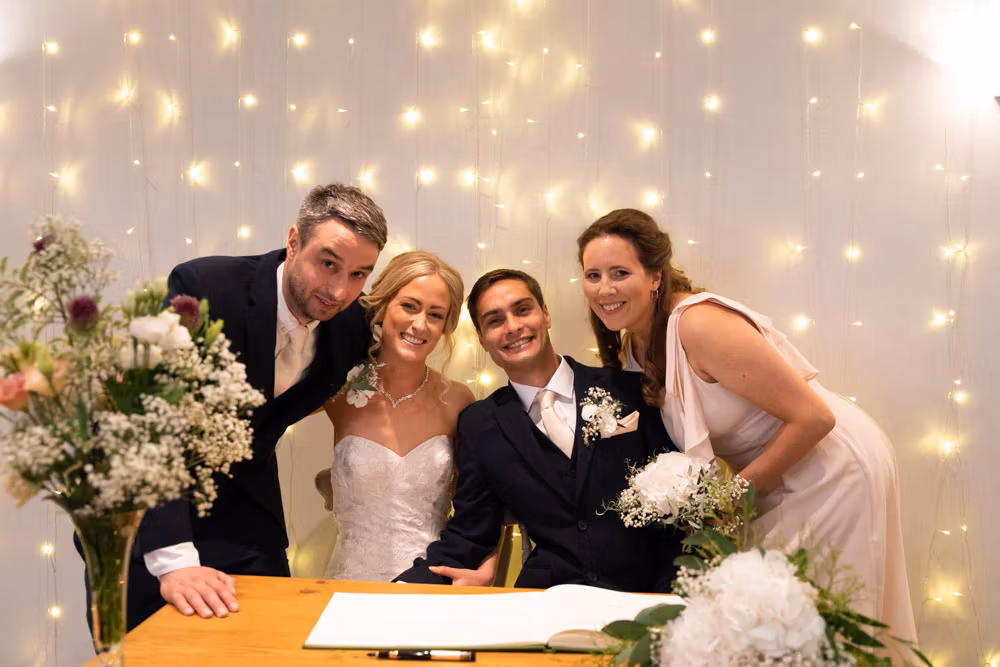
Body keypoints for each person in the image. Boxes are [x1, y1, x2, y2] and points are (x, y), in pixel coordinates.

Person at [576, 208, 917, 646]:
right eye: (593, 275)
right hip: (770, 479)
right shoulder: (633, 346)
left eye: (620, 273)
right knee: (773, 628)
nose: (604, 289)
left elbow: (814, 418)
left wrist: (726, 505)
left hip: (830, 469)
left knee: (818, 627)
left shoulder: (697, 324)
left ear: (655, 276)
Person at [84, 183, 388, 630]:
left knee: (271, 644)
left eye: (360, 273)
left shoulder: (351, 327)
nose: (340, 290)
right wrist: (174, 561)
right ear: (294, 241)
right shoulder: (206, 288)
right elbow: (146, 417)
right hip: (142, 513)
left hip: (246, 515)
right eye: (328, 264)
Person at [397, 269, 683, 592]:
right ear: (482, 338)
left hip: (647, 594)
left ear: (545, 315)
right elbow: (469, 531)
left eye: (522, 310)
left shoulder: (631, 391)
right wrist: (398, 591)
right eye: (495, 321)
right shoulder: (479, 425)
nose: (512, 327)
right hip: (546, 599)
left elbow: (680, 508)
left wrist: (673, 599)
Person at [315, 251, 495, 584]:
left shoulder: (457, 400)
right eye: (409, 306)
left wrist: (487, 569)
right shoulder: (337, 390)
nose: (420, 324)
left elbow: (481, 503)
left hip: (430, 586)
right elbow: (262, 419)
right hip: (350, 585)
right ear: (382, 307)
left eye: (435, 314)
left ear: (445, 326)